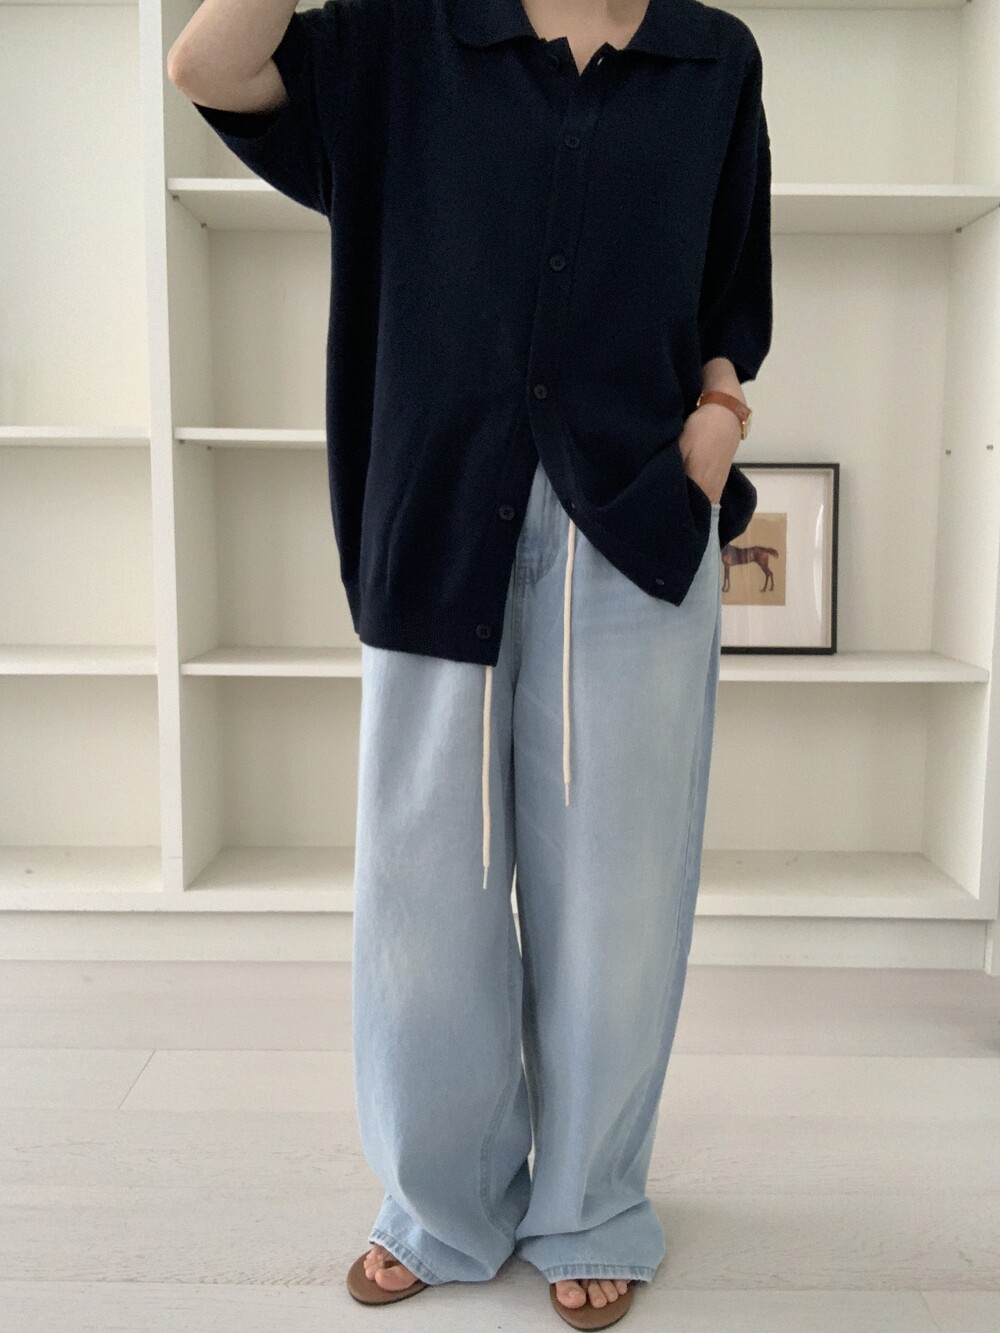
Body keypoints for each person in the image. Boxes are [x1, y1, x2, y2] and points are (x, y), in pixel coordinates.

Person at [169, 1, 772, 1326]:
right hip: (440, 517)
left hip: (636, 522)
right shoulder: (404, 40)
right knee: (424, 890)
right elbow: (208, 65)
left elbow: (731, 289)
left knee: (618, 898)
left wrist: (719, 423)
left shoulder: (711, 59)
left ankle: (592, 1202)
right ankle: (440, 1203)